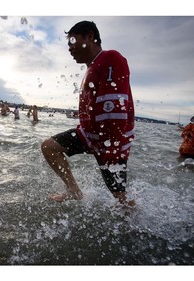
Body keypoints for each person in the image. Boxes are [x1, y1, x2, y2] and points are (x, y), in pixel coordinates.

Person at [41, 21, 135, 207]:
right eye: (68, 43)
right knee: (49, 147)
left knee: (120, 199)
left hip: (111, 139)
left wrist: (112, 147)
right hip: (89, 134)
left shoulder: (110, 58)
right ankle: (73, 190)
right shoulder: (91, 68)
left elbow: (114, 108)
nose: (70, 48)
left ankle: (137, 224)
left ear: (90, 37)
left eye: (73, 41)